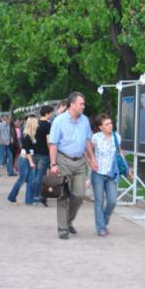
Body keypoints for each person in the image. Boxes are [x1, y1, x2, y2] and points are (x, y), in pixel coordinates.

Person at [49, 92, 96, 239]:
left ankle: (68, 220)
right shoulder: (59, 121)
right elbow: (53, 144)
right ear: (73, 104)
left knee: (79, 195)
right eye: (81, 103)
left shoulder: (85, 121)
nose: (84, 106)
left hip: (80, 162)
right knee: (63, 195)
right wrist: (53, 164)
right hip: (63, 160)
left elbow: (88, 141)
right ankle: (63, 228)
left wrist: (92, 159)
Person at [89, 114, 122, 237]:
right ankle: (101, 227)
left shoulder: (116, 137)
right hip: (98, 173)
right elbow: (88, 151)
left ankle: (104, 219)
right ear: (100, 127)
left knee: (112, 201)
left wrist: (127, 169)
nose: (110, 126)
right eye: (106, 124)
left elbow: (119, 153)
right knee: (99, 201)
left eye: (110, 123)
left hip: (111, 174)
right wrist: (91, 160)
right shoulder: (95, 138)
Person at [7, 117, 38, 205]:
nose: (38, 124)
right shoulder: (27, 135)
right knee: (22, 179)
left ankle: (29, 200)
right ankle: (12, 196)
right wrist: (31, 162)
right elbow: (27, 150)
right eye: (36, 123)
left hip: (28, 158)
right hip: (25, 159)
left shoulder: (32, 135)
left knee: (31, 179)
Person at [33, 105, 54, 206]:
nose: (52, 115)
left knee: (36, 174)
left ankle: (34, 195)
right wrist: (52, 152)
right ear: (47, 113)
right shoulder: (47, 125)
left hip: (35, 152)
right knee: (41, 175)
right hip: (44, 153)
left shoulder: (35, 123)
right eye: (51, 113)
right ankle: (37, 196)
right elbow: (48, 141)